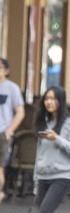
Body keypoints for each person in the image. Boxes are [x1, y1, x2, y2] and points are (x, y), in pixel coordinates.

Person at [0, 58, 25, 202]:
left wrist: (9, 131)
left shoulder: (12, 88)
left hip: (2, 132)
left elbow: (20, 112)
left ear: (7, 71)